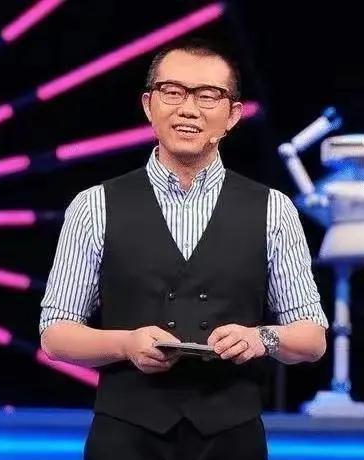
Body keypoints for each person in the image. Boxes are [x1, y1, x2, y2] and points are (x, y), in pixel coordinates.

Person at [39, 38, 328, 460]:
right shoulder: (93, 206)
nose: (188, 109)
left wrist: (259, 338)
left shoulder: (274, 209)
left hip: (232, 440)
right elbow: (55, 333)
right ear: (148, 105)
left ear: (233, 115)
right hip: (124, 439)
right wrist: (126, 344)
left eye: (208, 96)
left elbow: (312, 337)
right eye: (172, 92)